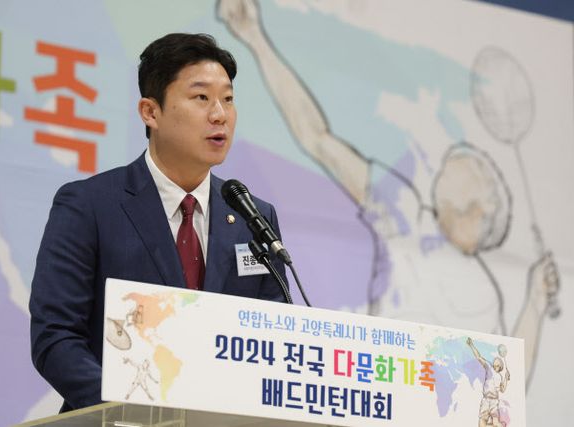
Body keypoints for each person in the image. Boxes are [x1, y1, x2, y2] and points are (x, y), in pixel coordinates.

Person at [217, 0, 559, 386]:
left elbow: (503, 384)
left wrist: (534, 305)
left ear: (483, 206)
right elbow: (318, 138)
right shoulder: (406, 211)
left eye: (472, 166)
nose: (453, 158)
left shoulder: (485, 295)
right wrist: (255, 38)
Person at [29, 33, 287, 412]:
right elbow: (56, 336)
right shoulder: (89, 205)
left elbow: (275, 339)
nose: (220, 114)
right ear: (150, 112)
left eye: (228, 99)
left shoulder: (253, 217)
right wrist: (132, 409)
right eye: (201, 98)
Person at [467, 338, 510, 427]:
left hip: (494, 401)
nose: (495, 360)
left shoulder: (500, 377)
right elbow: (479, 357)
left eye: (497, 360)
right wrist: (471, 345)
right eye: (495, 360)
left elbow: (502, 389)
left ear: (500, 366)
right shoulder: (489, 367)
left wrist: (506, 378)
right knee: (481, 423)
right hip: (486, 400)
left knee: (495, 423)